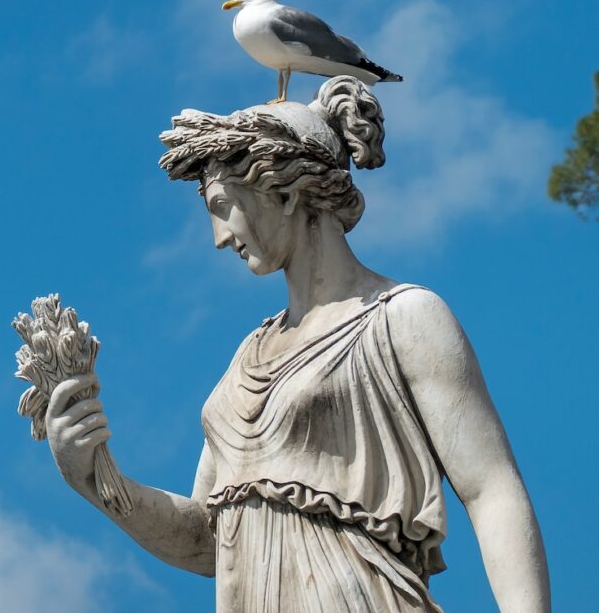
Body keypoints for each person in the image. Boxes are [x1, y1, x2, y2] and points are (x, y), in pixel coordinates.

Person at [45, 76, 550, 612]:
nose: (218, 238)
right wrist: (95, 476)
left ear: (283, 192)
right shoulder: (247, 360)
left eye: (222, 205)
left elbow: (491, 490)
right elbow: (206, 538)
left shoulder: (403, 317)